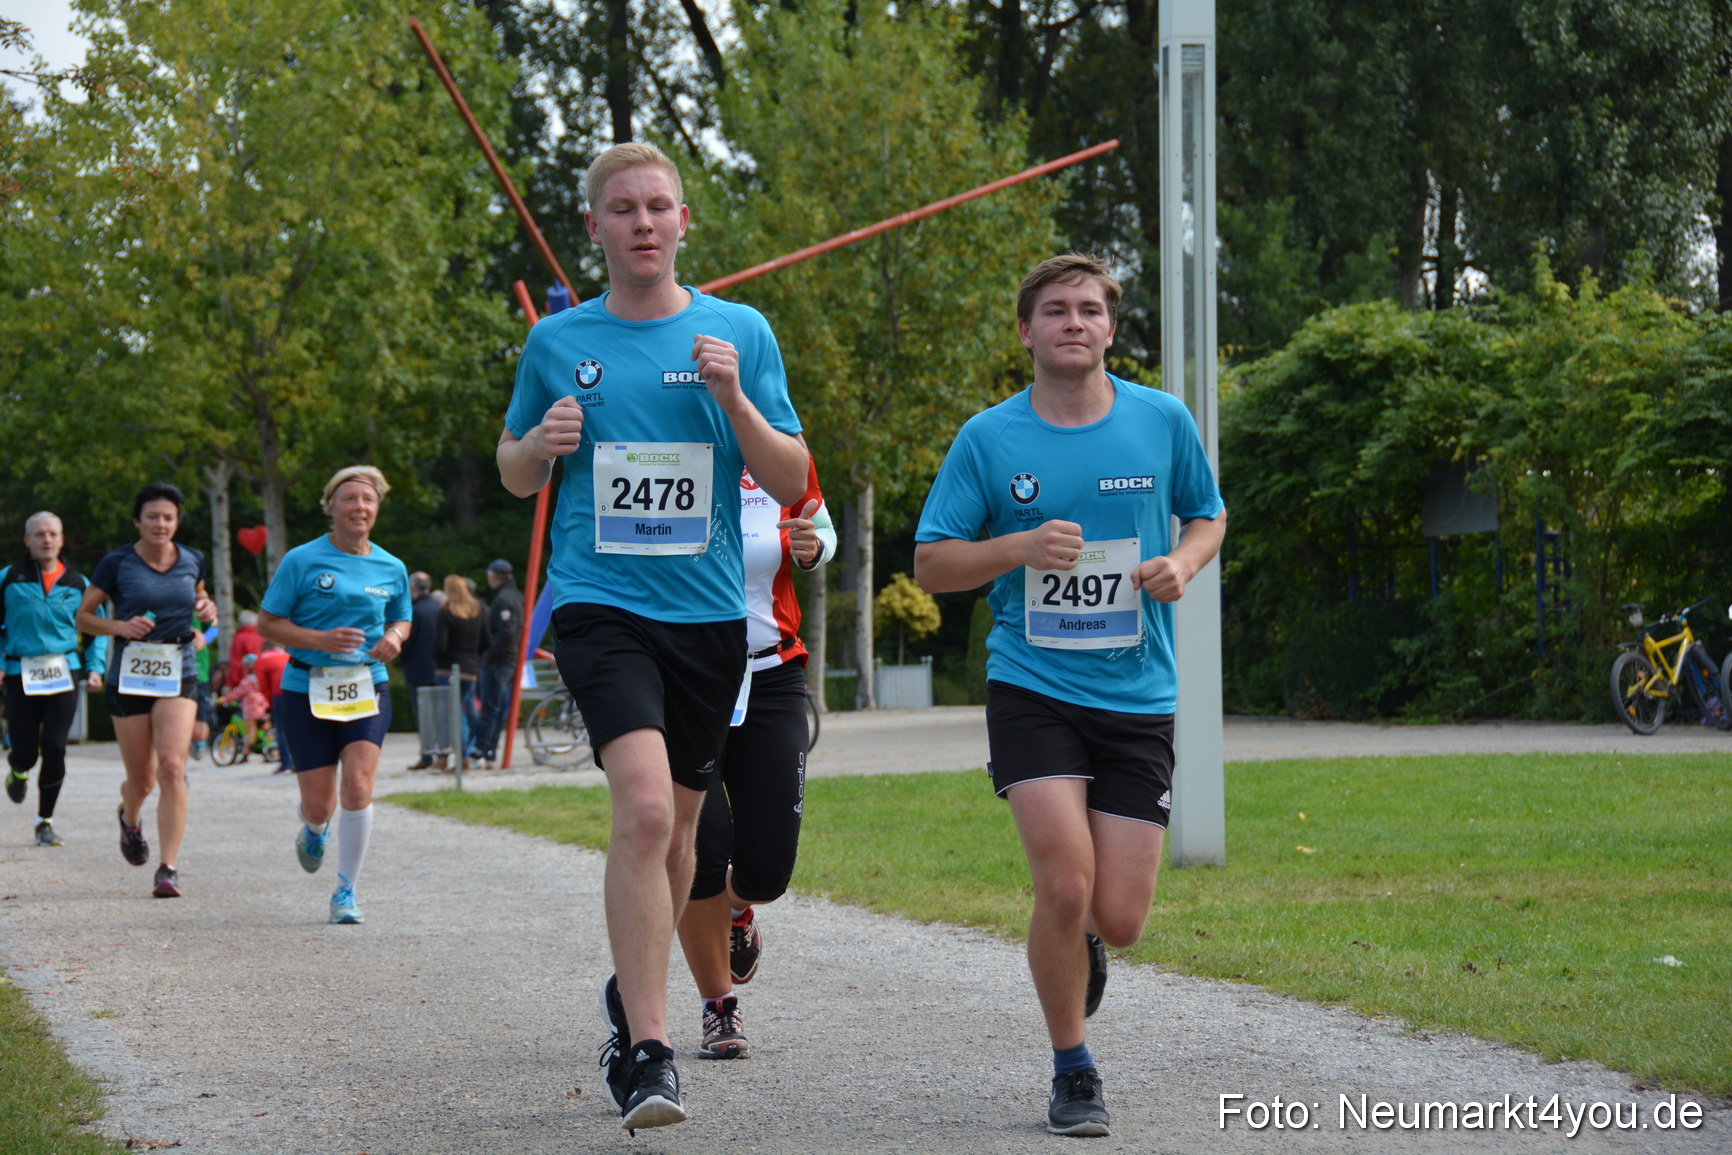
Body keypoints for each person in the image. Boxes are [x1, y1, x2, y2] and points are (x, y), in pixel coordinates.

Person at [497, 141, 807, 1132]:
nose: (642, 222)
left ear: (682, 221)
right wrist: (536, 447)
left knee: (677, 835)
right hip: (600, 605)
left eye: (658, 205)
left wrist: (734, 399)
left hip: (708, 617)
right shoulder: (558, 341)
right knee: (642, 810)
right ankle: (647, 1050)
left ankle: (632, 992)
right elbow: (511, 468)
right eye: (622, 208)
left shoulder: (738, 332)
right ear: (594, 226)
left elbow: (791, 476)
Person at [913, 253, 1225, 1138]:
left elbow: (1208, 514)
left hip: (1138, 690)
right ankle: (1073, 1067)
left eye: (1089, 309)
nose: (1074, 322)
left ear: (1111, 329)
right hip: (1032, 685)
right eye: (1055, 310)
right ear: (1027, 331)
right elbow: (931, 563)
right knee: (1062, 884)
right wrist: (1016, 548)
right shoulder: (988, 439)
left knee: (1117, 918)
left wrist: (1184, 562)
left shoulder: (1161, 420)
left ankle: (1081, 937)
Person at [675, 460, 832, 1059]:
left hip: (771, 675)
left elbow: (820, 527)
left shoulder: (775, 453)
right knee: (703, 846)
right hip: (684, 677)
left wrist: (814, 549)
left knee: (768, 869)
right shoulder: (668, 445)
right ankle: (719, 1006)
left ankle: (738, 908)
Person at [258, 465, 410, 925]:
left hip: (366, 684)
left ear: (377, 508)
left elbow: (401, 616)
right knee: (319, 803)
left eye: (368, 499)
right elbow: (267, 623)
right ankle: (314, 827)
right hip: (306, 687)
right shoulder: (301, 561)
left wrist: (395, 637)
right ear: (330, 506)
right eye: (349, 498)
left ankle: (346, 890)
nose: (359, 507)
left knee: (358, 786)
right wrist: (319, 640)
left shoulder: (391, 567)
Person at [77, 482, 220, 898]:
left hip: (179, 670)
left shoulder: (192, 558)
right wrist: (119, 626)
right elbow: (83, 617)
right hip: (131, 675)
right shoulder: (116, 563)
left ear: (177, 522)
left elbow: (202, 600)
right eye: (153, 516)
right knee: (141, 782)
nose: (161, 524)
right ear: (137, 521)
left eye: (169, 517)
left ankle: (168, 868)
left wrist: (206, 609)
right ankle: (130, 817)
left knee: (172, 767)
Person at [2, 511, 108, 846]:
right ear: (27, 540)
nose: (46, 540)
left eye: (52, 534)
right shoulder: (9, 578)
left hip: (64, 672)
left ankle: (44, 821)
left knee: (55, 747)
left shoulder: (79, 583)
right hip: (19, 673)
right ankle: (18, 770)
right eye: (39, 534)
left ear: (61, 540)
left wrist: (95, 668)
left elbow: (95, 629)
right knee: (25, 750)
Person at [469, 558, 522, 768]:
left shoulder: (504, 598)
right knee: (496, 708)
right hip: (506, 660)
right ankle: (489, 751)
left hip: (499, 661)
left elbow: (506, 632)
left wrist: (489, 655)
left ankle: (480, 751)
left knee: (490, 708)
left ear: (492, 576)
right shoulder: (514, 595)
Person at [432, 573, 489, 771]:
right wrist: (472, 657)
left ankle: (450, 757)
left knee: (447, 715)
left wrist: (434, 656)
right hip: (469, 670)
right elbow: (487, 642)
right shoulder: (478, 611)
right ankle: (469, 753)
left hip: (447, 669)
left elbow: (440, 645)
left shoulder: (445, 612)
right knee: (463, 711)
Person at [399, 571, 441, 770]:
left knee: (423, 716)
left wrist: (403, 660)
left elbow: (406, 643)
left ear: (412, 588)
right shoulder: (439, 608)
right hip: (439, 668)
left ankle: (427, 755)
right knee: (440, 714)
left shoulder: (415, 612)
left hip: (417, 670)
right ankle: (443, 754)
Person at [253, 642, 291, 771]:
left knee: (281, 729)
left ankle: (286, 764)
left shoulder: (262, 659)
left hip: (279, 693)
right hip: (297, 691)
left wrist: (270, 703)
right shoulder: (286, 655)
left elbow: (263, 685)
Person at [226, 609, 263, 691]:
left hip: (244, 682)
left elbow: (235, 663)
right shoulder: (263, 635)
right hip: (262, 680)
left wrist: (230, 684)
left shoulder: (239, 638)